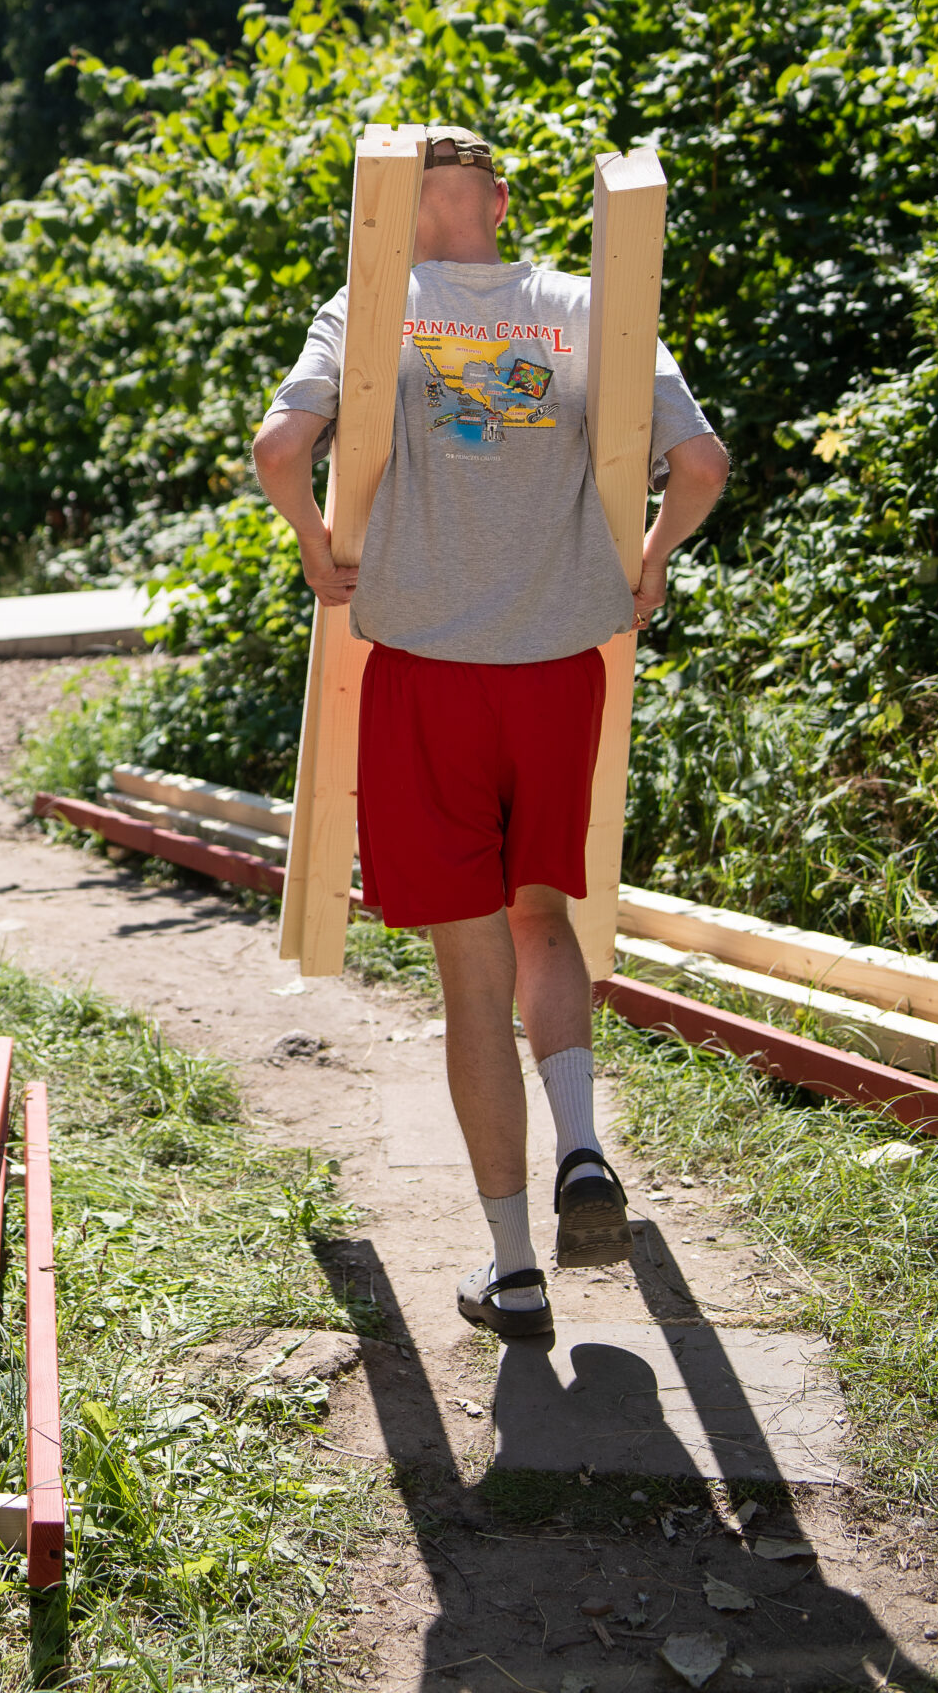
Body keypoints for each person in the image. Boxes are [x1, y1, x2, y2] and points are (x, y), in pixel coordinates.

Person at [253, 129, 730, 1338]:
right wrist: (652, 560)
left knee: (472, 977)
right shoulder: (588, 306)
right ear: (501, 203)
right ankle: (582, 1147)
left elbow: (278, 449)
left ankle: (514, 1268)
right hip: (559, 670)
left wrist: (316, 546)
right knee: (543, 919)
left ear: (401, 209)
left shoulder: (368, 312)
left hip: (428, 677)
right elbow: (702, 462)